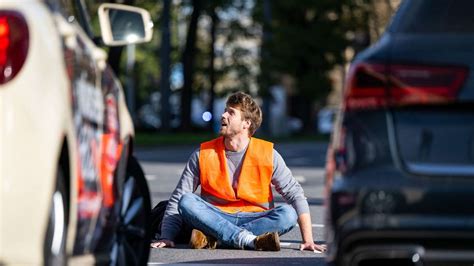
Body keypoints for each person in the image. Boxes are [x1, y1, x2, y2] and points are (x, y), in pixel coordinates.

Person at [150, 91, 326, 252]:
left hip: (255, 218)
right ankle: (245, 239)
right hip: (214, 216)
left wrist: (308, 240)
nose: (223, 115)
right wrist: (167, 236)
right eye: (225, 110)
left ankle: (216, 238)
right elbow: (179, 196)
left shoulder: (268, 154)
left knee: (288, 214)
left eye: (231, 112)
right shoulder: (202, 153)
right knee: (186, 200)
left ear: (246, 123)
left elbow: (295, 195)